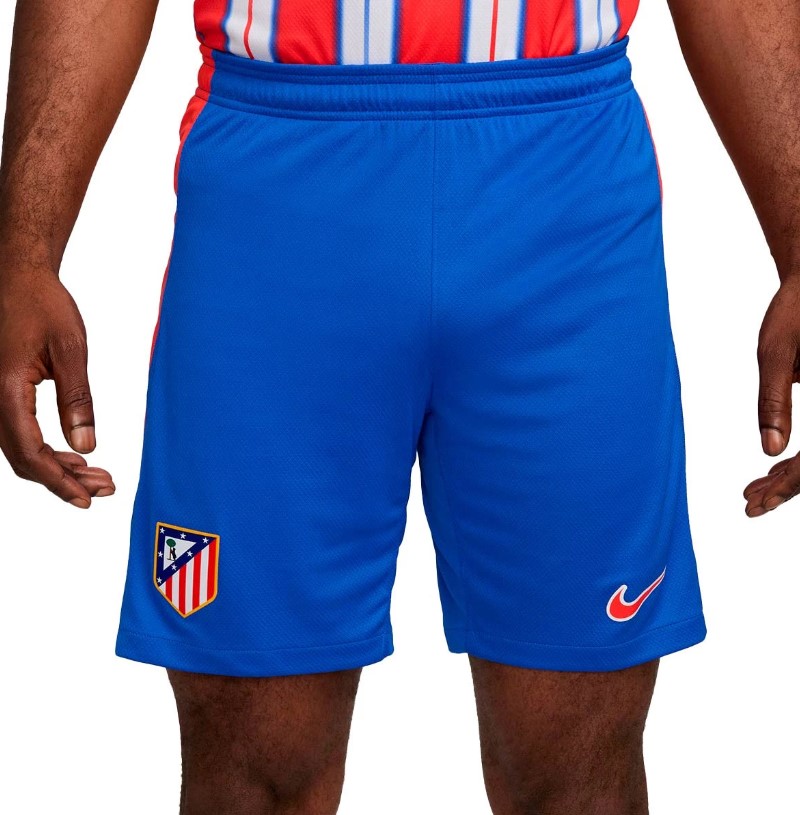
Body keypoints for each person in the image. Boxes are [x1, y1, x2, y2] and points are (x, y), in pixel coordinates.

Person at [0, 1, 796, 813]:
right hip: (279, 192)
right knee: (254, 776)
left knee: (577, 778)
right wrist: (24, 255)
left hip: (563, 190)